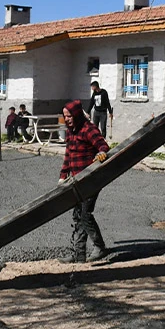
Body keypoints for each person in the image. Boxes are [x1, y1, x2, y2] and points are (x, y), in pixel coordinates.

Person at [58, 99, 110, 263]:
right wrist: (62, 176)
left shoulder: (88, 129)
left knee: (85, 214)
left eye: (69, 116)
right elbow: (68, 155)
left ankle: (100, 247)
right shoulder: (71, 131)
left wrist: (101, 153)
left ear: (77, 114)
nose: (67, 119)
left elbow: (103, 145)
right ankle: (78, 253)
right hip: (76, 181)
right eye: (65, 116)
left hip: (90, 180)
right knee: (78, 214)